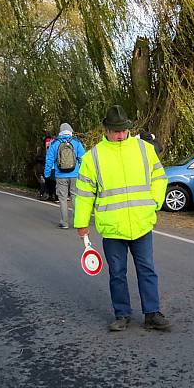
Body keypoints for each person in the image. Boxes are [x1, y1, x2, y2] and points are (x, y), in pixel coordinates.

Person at [75, 105, 169, 332]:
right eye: (115, 131)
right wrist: (81, 223)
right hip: (112, 226)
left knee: (147, 268)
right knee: (117, 272)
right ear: (106, 129)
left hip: (141, 222)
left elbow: (159, 177)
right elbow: (85, 193)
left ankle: (152, 313)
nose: (120, 135)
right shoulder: (93, 157)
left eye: (123, 130)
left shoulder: (144, 149)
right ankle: (122, 314)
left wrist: (155, 203)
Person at [44, 123, 86, 229]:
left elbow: (49, 160)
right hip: (75, 175)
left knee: (62, 199)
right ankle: (78, 222)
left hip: (60, 175)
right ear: (71, 131)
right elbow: (83, 159)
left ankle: (64, 223)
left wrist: (47, 174)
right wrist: (82, 171)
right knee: (75, 197)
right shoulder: (76, 142)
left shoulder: (54, 143)